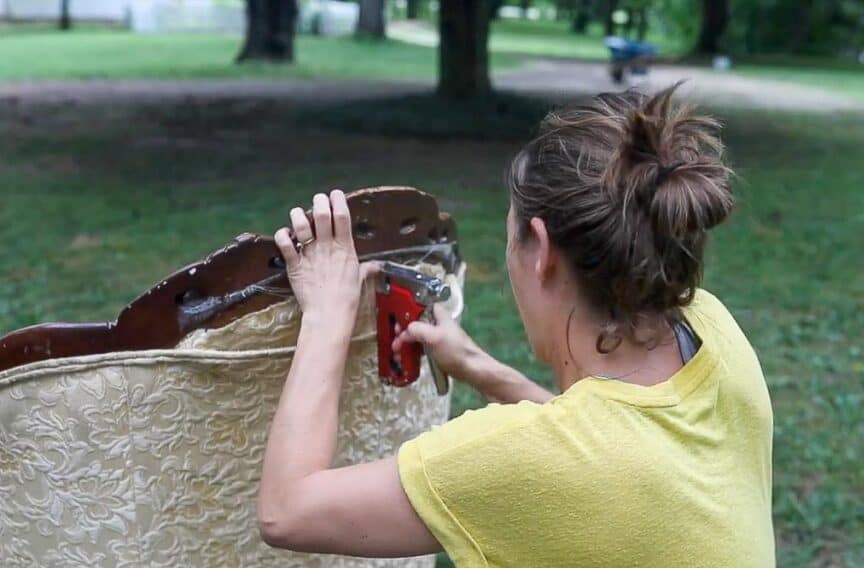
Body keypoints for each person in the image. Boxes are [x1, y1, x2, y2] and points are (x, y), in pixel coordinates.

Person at [258, 85, 775, 567]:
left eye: (509, 237)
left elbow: (287, 510)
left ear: (541, 252)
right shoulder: (714, 330)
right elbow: (615, 449)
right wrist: (483, 370)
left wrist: (327, 312)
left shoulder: (521, 463)